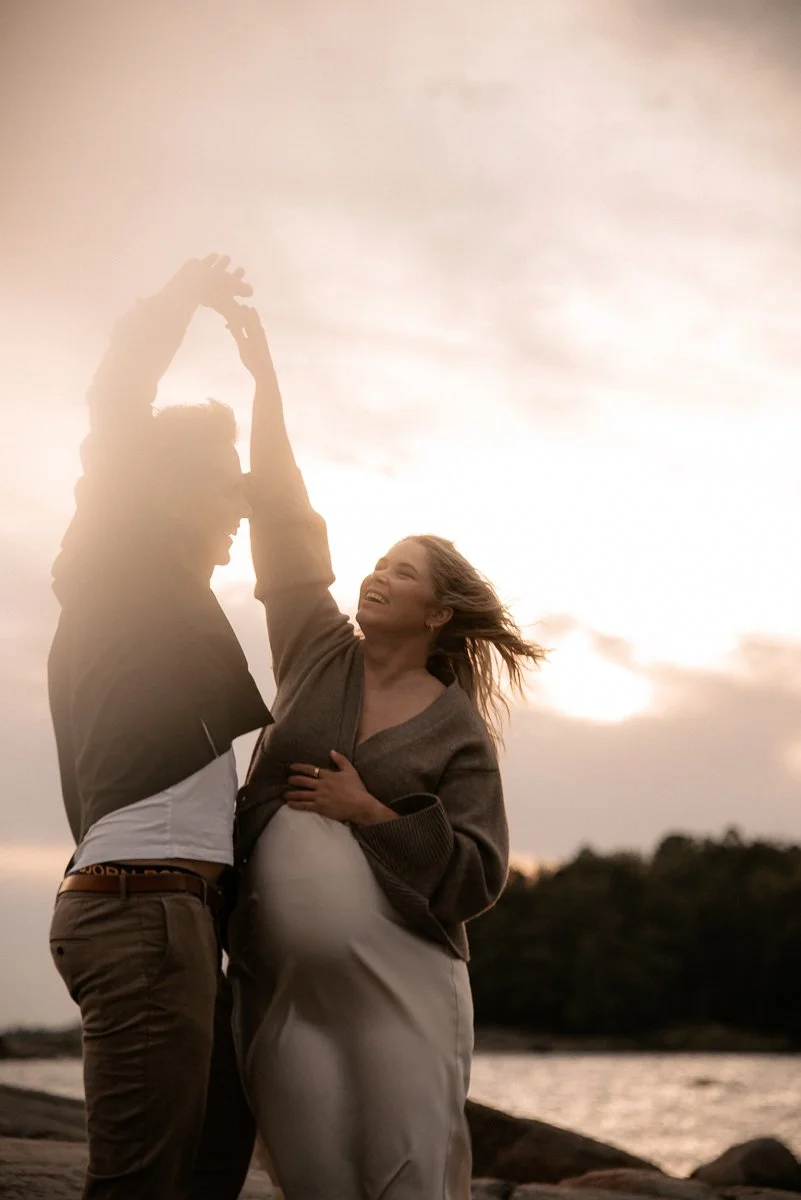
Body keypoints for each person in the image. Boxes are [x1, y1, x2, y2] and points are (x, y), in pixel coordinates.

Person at [221, 301, 545, 1199]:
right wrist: (265, 386)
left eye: (401, 572)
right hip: (286, 986)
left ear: (438, 612)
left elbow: (479, 874)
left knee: (407, 1180)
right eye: (379, 562)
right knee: (316, 1181)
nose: (377, 575)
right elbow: (286, 526)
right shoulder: (317, 650)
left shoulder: (456, 730)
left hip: (402, 987)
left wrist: (373, 813)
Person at [47, 257, 272, 1200]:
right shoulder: (112, 559)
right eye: (225, 486)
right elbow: (116, 398)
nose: (239, 509)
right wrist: (182, 299)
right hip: (142, 914)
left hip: (179, 920)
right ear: (159, 489)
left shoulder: (173, 596)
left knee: (212, 1167)